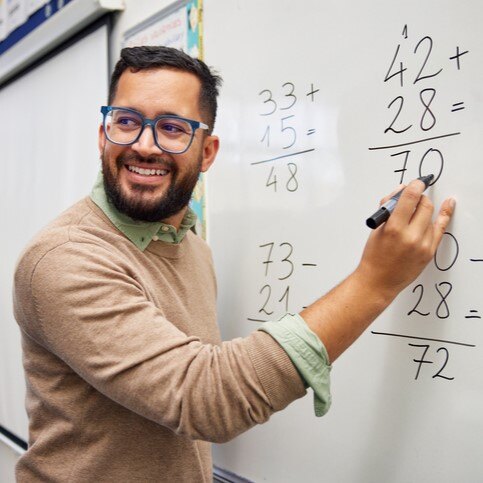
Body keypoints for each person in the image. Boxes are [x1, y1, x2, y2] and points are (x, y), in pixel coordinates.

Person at [13, 46, 455, 482]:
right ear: (102, 135)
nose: (144, 145)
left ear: (207, 152)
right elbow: (205, 398)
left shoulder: (192, 249)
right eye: (126, 122)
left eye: (172, 128)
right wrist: (375, 281)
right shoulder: (65, 258)